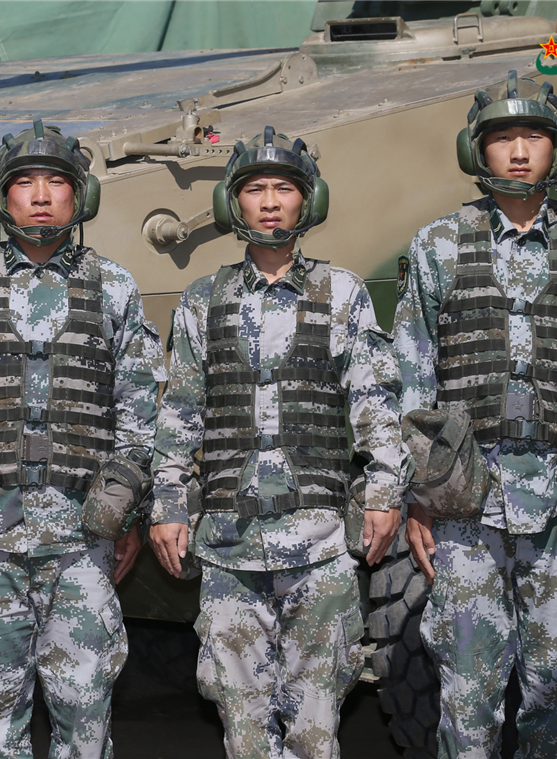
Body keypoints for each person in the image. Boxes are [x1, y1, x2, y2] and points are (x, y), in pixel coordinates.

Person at [393, 71, 557, 758]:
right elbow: (412, 380)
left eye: (534, 135)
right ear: (477, 150)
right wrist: (418, 496)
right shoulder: (438, 245)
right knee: (467, 702)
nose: (519, 151)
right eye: (502, 137)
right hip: (464, 507)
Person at [150, 126, 411, 759]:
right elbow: (180, 412)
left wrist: (384, 491)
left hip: (319, 547)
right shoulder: (203, 300)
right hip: (229, 549)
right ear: (233, 204)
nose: (270, 202)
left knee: (315, 731)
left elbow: (375, 402)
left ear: (308, 201)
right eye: (255, 189)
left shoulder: (342, 294)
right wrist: (169, 504)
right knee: (243, 730)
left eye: (285, 189)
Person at [0, 119, 164, 759]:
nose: (39, 196)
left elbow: (138, 412)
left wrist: (127, 511)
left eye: (55, 182)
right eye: (24, 182)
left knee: (84, 717)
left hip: (82, 540)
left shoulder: (113, 286)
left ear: (79, 196)